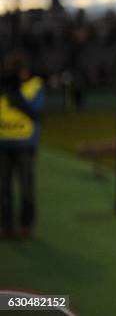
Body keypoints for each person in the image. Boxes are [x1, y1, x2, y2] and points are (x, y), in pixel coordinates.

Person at [0, 52, 45, 239]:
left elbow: (36, 112)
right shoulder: (3, 87)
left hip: (25, 146)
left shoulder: (34, 87)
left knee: (26, 189)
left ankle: (26, 226)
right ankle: (6, 226)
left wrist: (17, 96)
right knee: (3, 189)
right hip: (3, 146)